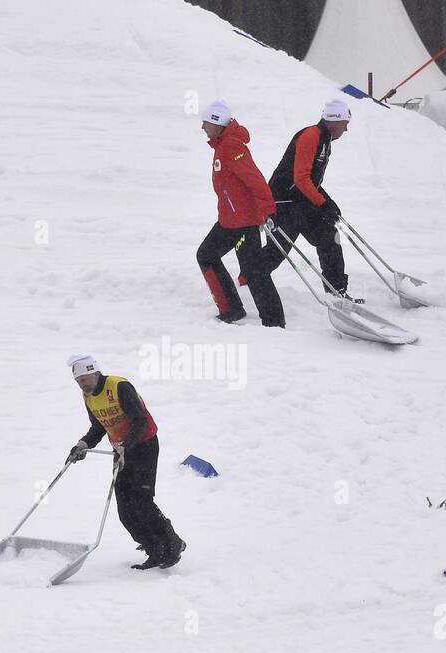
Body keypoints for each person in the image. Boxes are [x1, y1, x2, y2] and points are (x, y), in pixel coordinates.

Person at [65, 355, 185, 570]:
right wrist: (83, 444)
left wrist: (125, 446)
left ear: (95, 373)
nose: (81, 384)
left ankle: (171, 542)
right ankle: (153, 548)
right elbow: (99, 426)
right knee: (125, 508)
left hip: (144, 445)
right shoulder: (88, 396)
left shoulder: (119, 386)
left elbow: (140, 420)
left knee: (141, 500)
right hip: (122, 450)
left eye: (84, 378)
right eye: (77, 381)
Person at [258, 99, 362, 302]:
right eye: (345, 123)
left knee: (329, 238)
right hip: (284, 203)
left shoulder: (324, 140)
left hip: (301, 202)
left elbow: (311, 181)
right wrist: (322, 203)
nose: (346, 129)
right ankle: (247, 281)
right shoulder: (310, 136)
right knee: (277, 251)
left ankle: (336, 293)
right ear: (333, 121)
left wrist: (328, 201)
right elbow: (301, 178)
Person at [195, 100, 286, 327]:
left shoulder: (231, 147)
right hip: (229, 220)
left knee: (252, 270)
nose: (202, 127)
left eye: (205, 122)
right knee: (208, 255)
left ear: (216, 122)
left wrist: (268, 210)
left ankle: (272, 321)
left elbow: (254, 179)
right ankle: (232, 309)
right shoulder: (223, 144)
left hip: (242, 222)